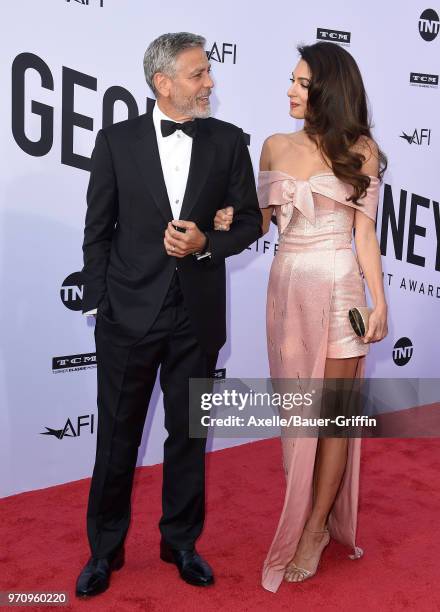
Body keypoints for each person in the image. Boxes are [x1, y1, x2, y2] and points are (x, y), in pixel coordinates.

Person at [75, 32, 262, 598]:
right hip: (129, 314)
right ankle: (104, 551)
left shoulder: (229, 142)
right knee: (117, 438)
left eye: (207, 72)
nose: (210, 82)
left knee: (187, 434)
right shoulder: (115, 141)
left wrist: (207, 243)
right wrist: (106, 301)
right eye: (199, 74)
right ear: (164, 83)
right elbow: (97, 232)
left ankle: (180, 541)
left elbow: (252, 222)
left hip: (196, 316)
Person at [215, 41, 388, 592]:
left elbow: (365, 232)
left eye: (301, 82)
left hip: (341, 289)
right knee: (298, 415)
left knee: (335, 418)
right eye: (290, 80)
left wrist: (379, 299)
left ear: (328, 89)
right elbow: (260, 223)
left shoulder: (362, 150)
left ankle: (315, 528)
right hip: (287, 289)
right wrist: (229, 219)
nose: (290, 90)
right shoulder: (272, 145)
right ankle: (302, 509)